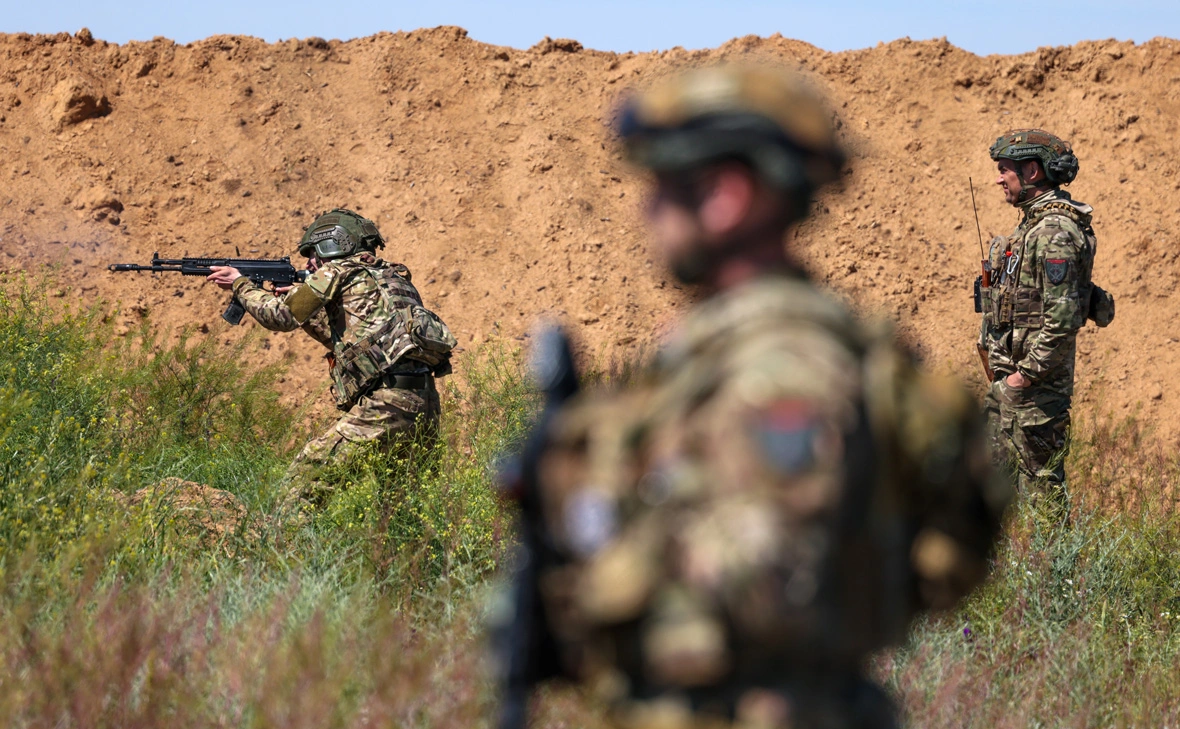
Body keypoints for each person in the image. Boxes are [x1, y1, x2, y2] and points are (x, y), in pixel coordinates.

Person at [495, 65, 1011, 729]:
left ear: (728, 195)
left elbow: (772, 584)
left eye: (663, 187)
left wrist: (600, 551)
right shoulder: (719, 351)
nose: (645, 209)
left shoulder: (784, 365)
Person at [206, 208, 456, 506]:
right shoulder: (393, 278)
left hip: (385, 402)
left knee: (299, 488)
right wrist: (305, 304)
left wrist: (240, 284)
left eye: (313, 253)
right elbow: (351, 341)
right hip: (422, 403)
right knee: (403, 509)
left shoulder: (336, 271)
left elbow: (280, 316)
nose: (310, 262)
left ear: (333, 244)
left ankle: (283, 552)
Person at [979, 130, 1113, 510]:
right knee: (988, 498)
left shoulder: (1054, 232)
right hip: (1012, 388)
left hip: (1035, 396)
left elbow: (1062, 319)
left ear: (1033, 171)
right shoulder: (1032, 226)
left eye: (1005, 170)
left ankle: (1054, 570)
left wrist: (1025, 378)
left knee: (1044, 505)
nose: (998, 178)